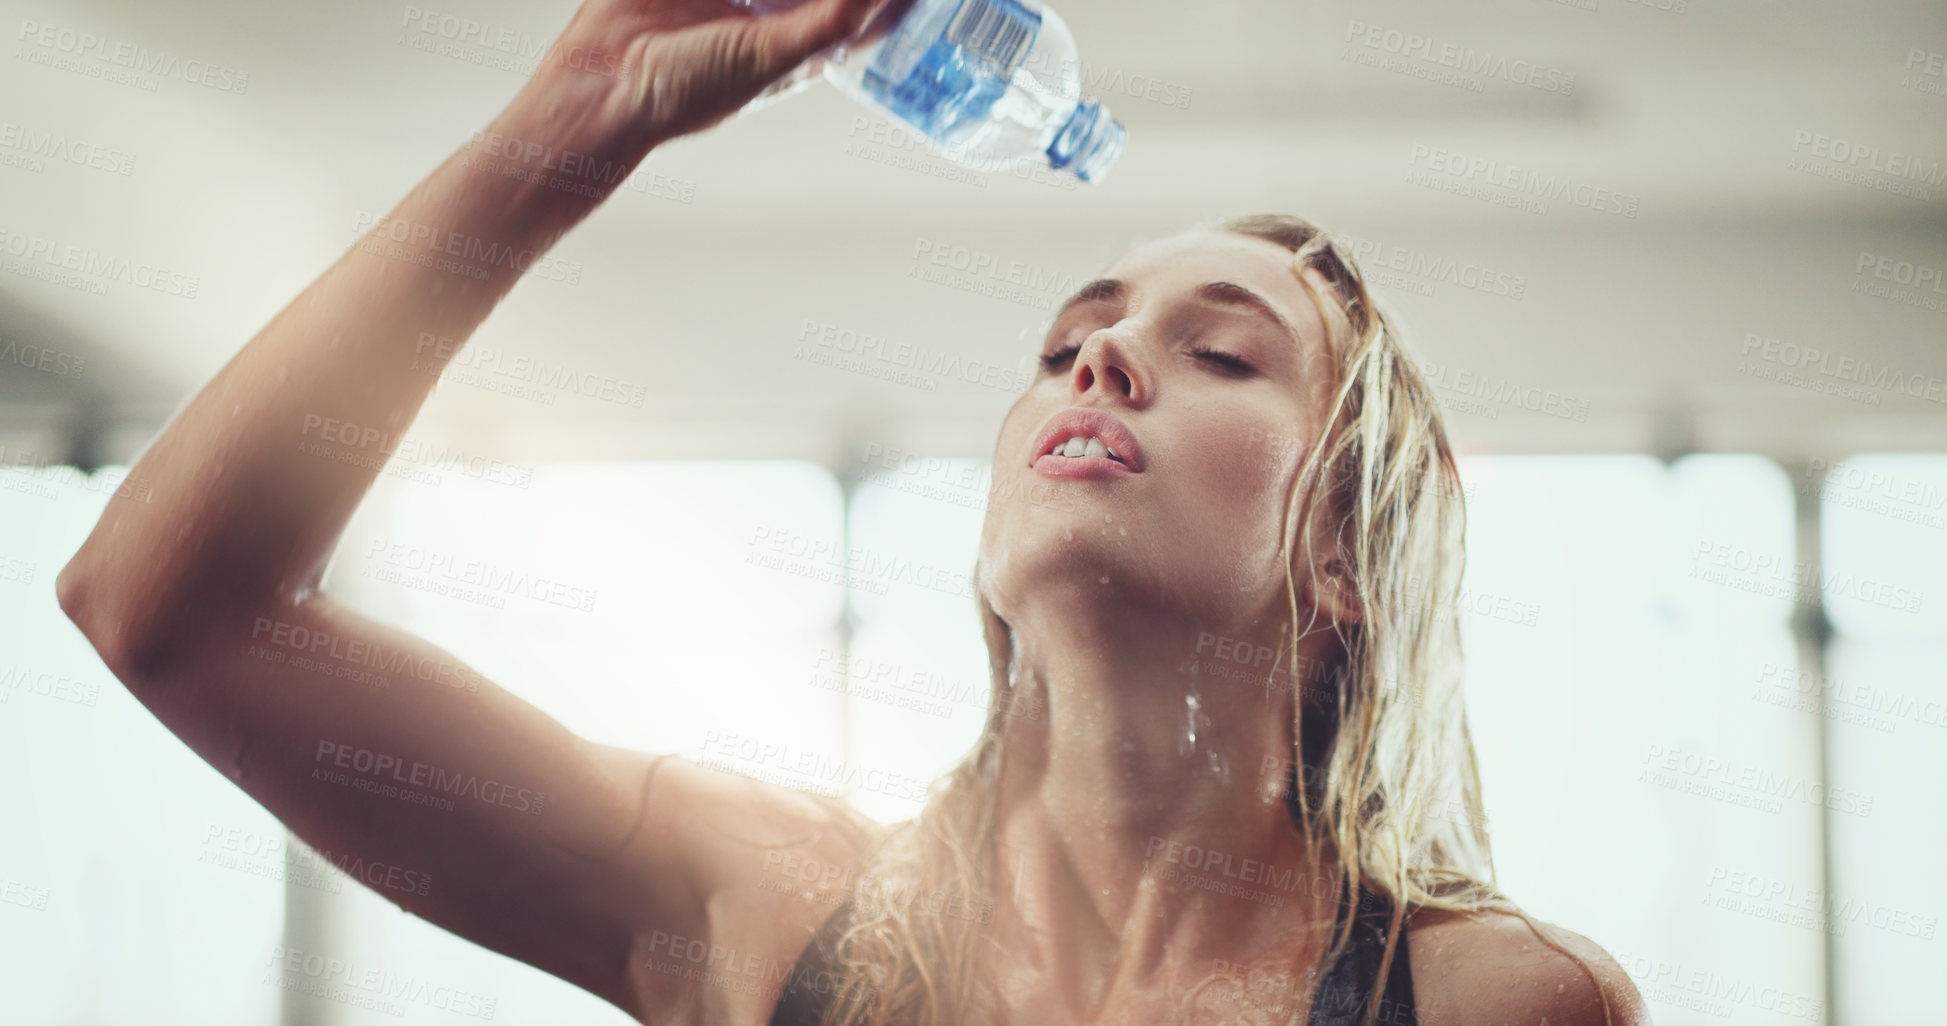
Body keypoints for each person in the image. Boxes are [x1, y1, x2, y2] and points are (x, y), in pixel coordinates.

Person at [56, 0, 1650, 1023]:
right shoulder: (751, 896)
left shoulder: (1502, 1001)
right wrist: (574, 118)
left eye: (1221, 350)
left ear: (1346, 544)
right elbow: (166, 609)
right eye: (1061, 345)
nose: (1100, 355)